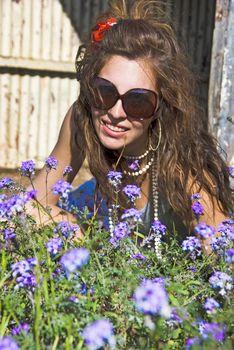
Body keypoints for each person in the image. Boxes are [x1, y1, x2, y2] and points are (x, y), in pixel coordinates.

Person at [28, 0, 233, 251]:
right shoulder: (82, 116)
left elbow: (223, 248)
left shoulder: (181, 158)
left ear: (161, 106)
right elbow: (29, 206)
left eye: (138, 101)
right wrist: (75, 232)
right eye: (104, 92)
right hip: (100, 223)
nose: (115, 112)